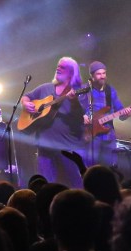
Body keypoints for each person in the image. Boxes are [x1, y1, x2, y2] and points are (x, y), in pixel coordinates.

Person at [21, 57, 87, 187]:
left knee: (75, 184)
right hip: (44, 146)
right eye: (58, 66)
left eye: (62, 67)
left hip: (67, 147)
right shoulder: (45, 88)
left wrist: (74, 102)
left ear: (71, 72)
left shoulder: (80, 92)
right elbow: (26, 96)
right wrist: (26, 103)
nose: (58, 68)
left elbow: (80, 117)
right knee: (45, 185)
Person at [85, 61, 131, 168]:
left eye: (104, 73)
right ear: (91, 76)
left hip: (108, 136)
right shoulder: (85, 90)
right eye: (99, 74)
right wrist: (83, 116)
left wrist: (126, 114)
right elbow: (76, 109)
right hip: (91, 136)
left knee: (109, 168)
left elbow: (120, 113)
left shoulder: (110, 91)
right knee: (89, 168)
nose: (102, 76)